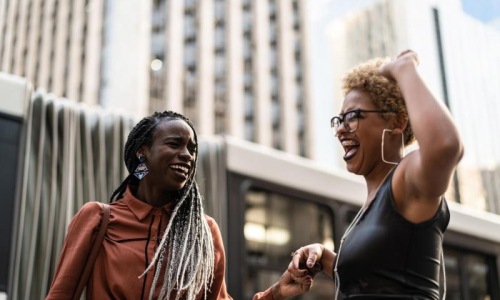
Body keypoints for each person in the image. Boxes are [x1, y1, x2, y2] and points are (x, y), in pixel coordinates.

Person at [269, 50, 464, 299]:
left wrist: (404, 69)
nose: (340, 129)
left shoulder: (406, 180)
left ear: (397, 123)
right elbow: (380, 277)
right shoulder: (372, 203)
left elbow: (445, 145)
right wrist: (325, 258)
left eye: (352, 116)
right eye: (339, 119)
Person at [46, 111, 233, 299]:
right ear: (142, 152)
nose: (187, 155)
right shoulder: (98, 218)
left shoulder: (204, 231)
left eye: (192, 150)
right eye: (174, 144)